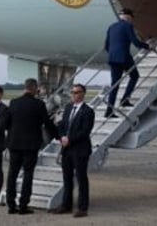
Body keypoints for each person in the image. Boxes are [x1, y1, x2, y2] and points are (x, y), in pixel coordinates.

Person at [4, 78, 58, 215]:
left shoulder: (14, 102)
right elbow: (47, 123)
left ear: (25, 87)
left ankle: (11, 205)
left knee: (12, 174)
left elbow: (6, 123)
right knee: (28, 175)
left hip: (14, 144)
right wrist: (58, 135)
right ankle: (23, 205)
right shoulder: (38, 104)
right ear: (34, 88)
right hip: (31, 145)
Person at [51, 83, 95, 218]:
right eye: (72, 92)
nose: (74, 95)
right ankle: (66, 205)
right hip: (67, 149)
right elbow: (63, 125)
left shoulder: (88, 111)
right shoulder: (69, 108)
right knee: (67, 178)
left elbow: (85, 131)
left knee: (81, 179)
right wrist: (62, 137)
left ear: (83, 94)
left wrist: (70, 139)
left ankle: (82, 208)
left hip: (80, 149)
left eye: (77, 92)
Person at [104, 8, 151, 117]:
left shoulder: (111, 27)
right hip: (124, 57)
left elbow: (106, 45)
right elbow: (136, 42)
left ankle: (109, 111)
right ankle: (125, 99)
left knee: (114, 85)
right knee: (134, 76)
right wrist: (148, 46)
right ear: (129, 17)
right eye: (132, 18)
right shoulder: (127, 26)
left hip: (112, 58)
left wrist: (113, 53)